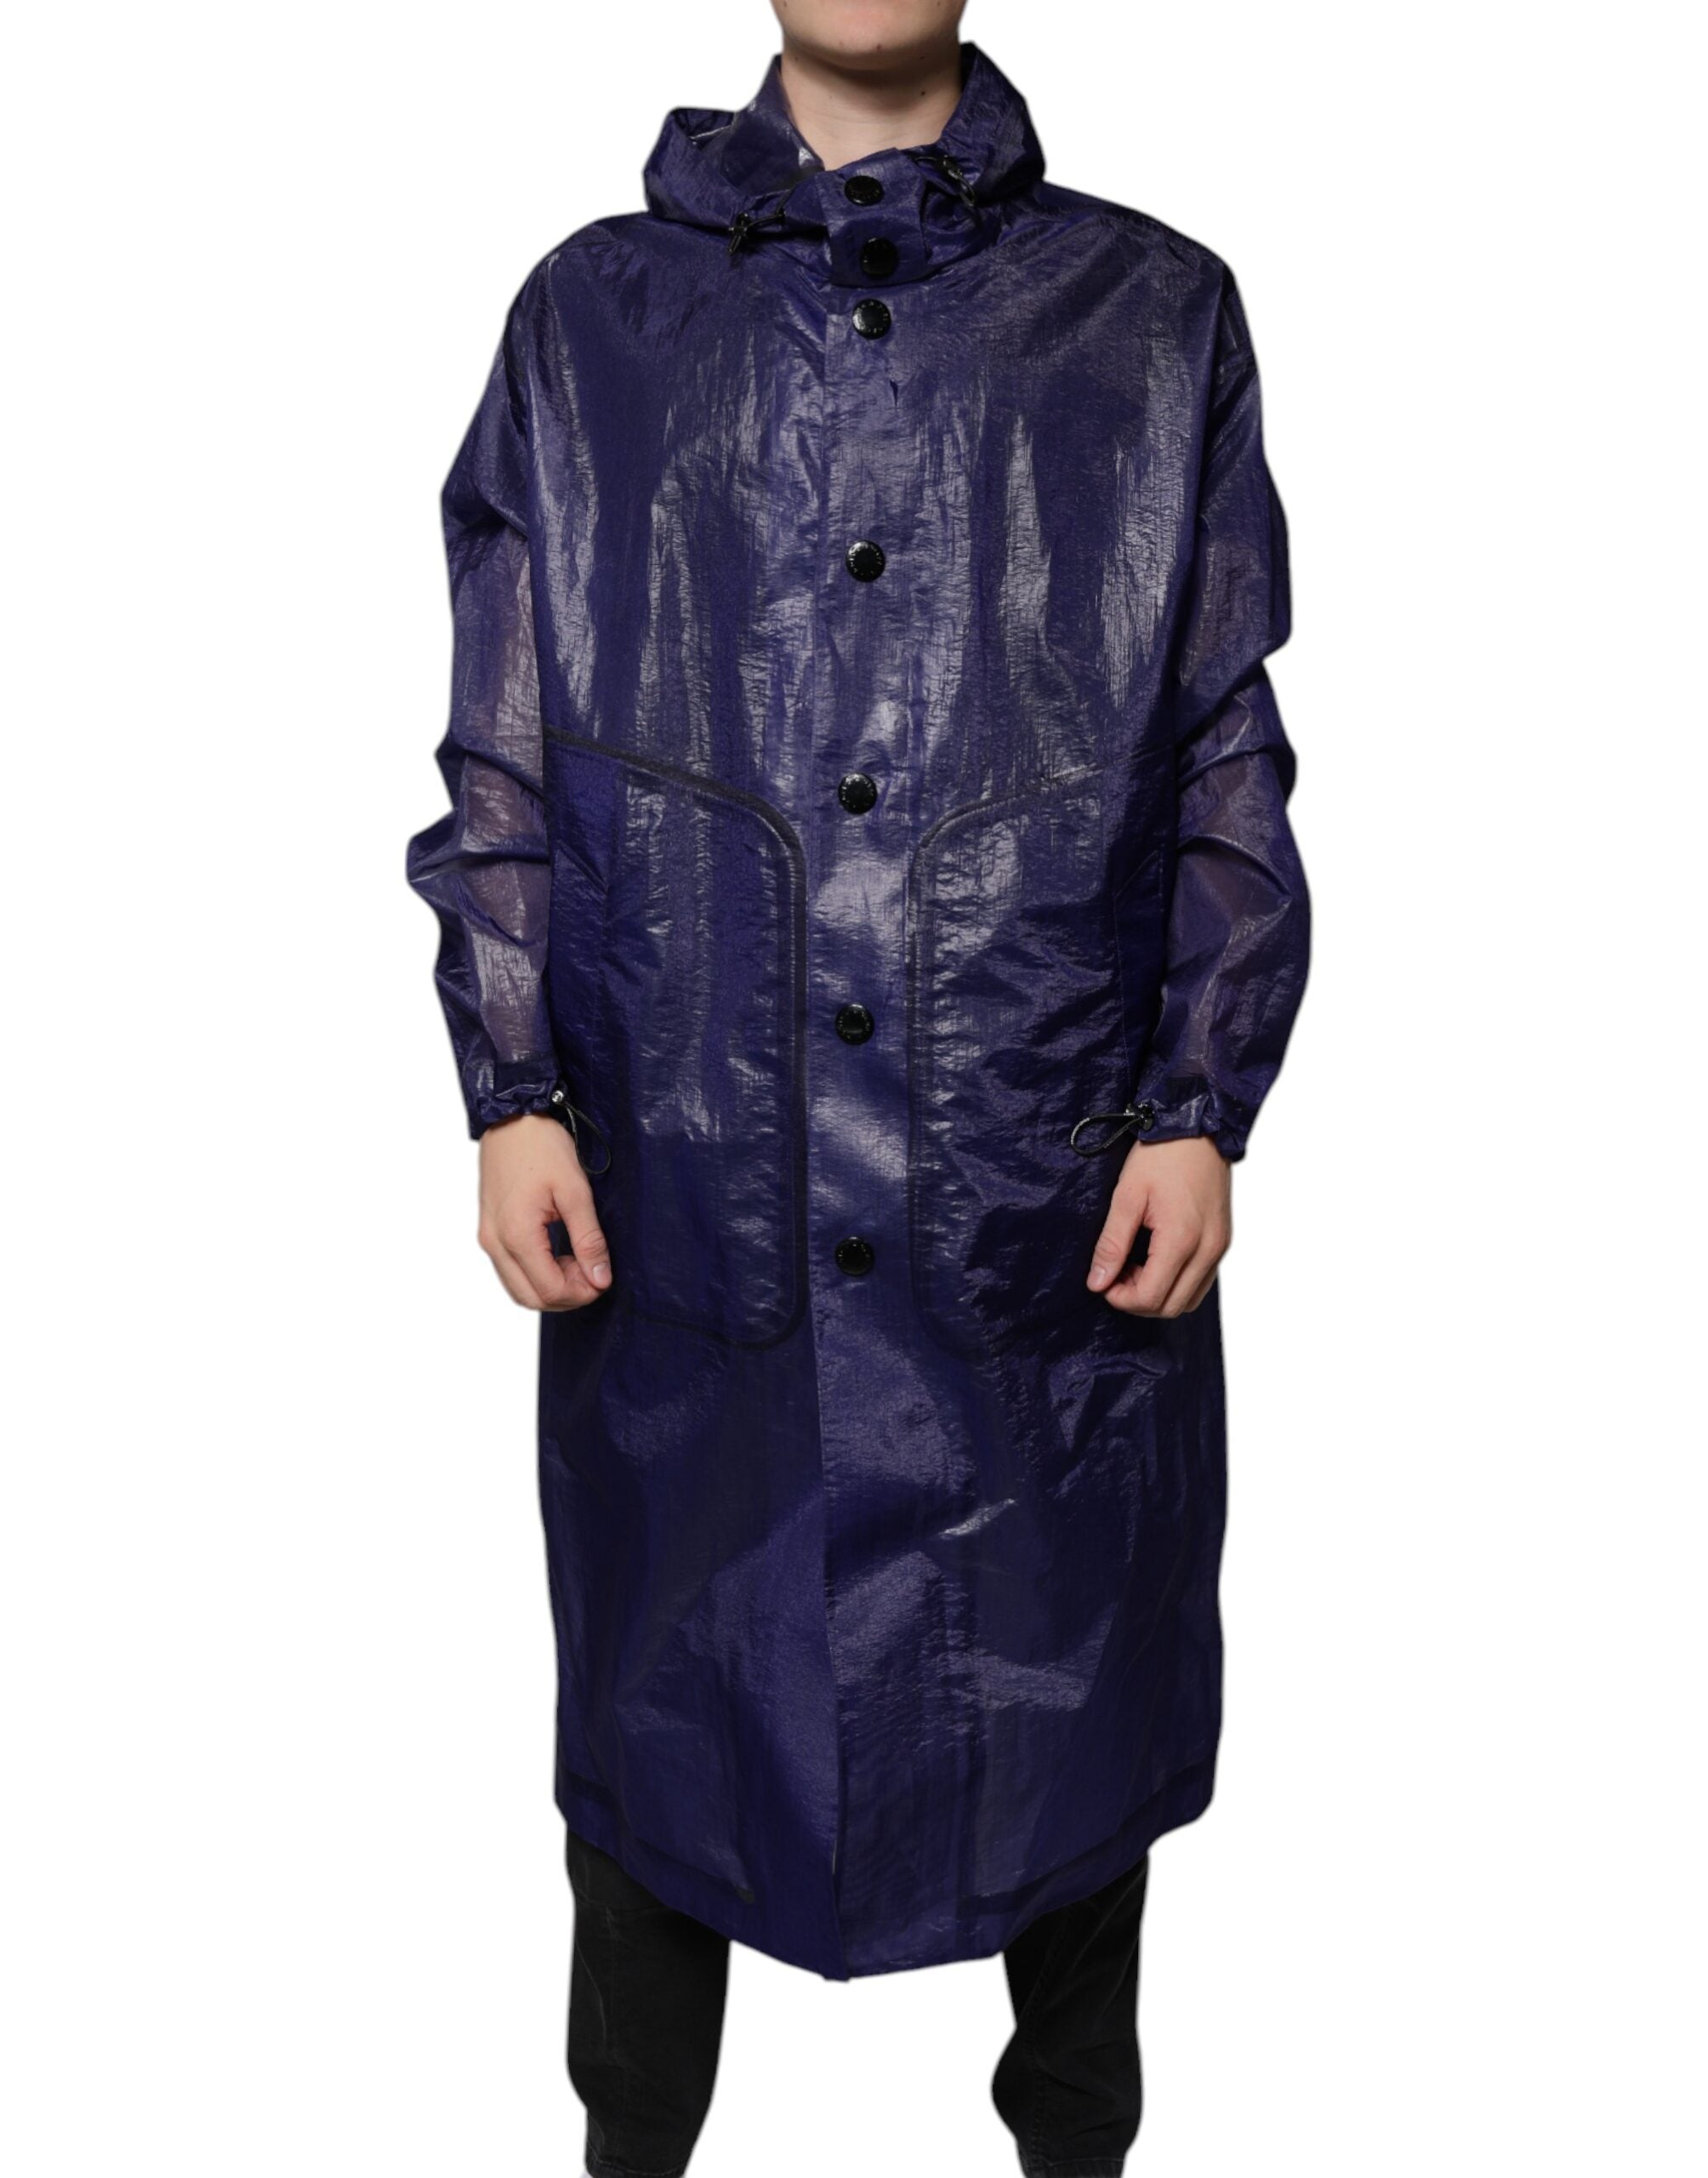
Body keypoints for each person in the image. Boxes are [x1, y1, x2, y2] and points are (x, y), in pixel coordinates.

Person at [406, 3, 1311, 2172]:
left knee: (1068, 1732)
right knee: (664, 1711)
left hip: (1039, 1163)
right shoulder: (592, 319)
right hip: (680, 1162)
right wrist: (509, 1082)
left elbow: (1222, 740)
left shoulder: (1151, 310)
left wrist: (1194, 1098)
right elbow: (503, 735)